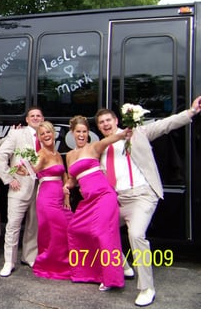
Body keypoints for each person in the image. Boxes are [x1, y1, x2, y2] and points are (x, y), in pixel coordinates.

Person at [96, 96, 201, 307]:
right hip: (117, 200)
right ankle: (121, 269)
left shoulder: (136, 133)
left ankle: (147, 288)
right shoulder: (101, 147)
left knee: (136, 235)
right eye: (101, 122)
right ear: (98, 127)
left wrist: (191, 112)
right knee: (99, 230)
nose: (106, 124)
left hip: (142, 196)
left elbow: (165, 125)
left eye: (109, 120)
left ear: (117, 120)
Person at [65, 115, 131, 291]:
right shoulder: (70, 155)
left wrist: (126, 131)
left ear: (89, 133)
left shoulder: (94, 147)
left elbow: (113, 138)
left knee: (102, 233)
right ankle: (90, 272)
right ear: (72, 133)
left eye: (84, 131)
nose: (81, 135)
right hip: (88, 200)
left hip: (103, 195)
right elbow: (73, 181)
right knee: (75, 228)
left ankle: (110, 278)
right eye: (78, 131)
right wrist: (66, 185)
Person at [0, 107, 43, 277]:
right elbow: (0, 156)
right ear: (27, 120)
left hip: (40, 188)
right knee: (13, 225)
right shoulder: (17, 134)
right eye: (32, 116)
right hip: (19, 187)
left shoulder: (46, 135)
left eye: (38, 116)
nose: (36, 118)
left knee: (34, 225)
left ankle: (29, 256)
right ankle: (9, 261)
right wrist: (9, 179)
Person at [30, 121, 72, 280]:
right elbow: (33, 169)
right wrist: (25, 167)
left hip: (60, 198)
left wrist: (67, 196)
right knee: (56, 232)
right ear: (39, 138)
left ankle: (63, 263)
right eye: (42, 134)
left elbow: (64, 175)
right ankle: (54, 265)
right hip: (47, 199)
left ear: (53, 133)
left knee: (65, 229)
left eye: (48, 132)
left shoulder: (57, 153)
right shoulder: (41, 154)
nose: (46, 135)